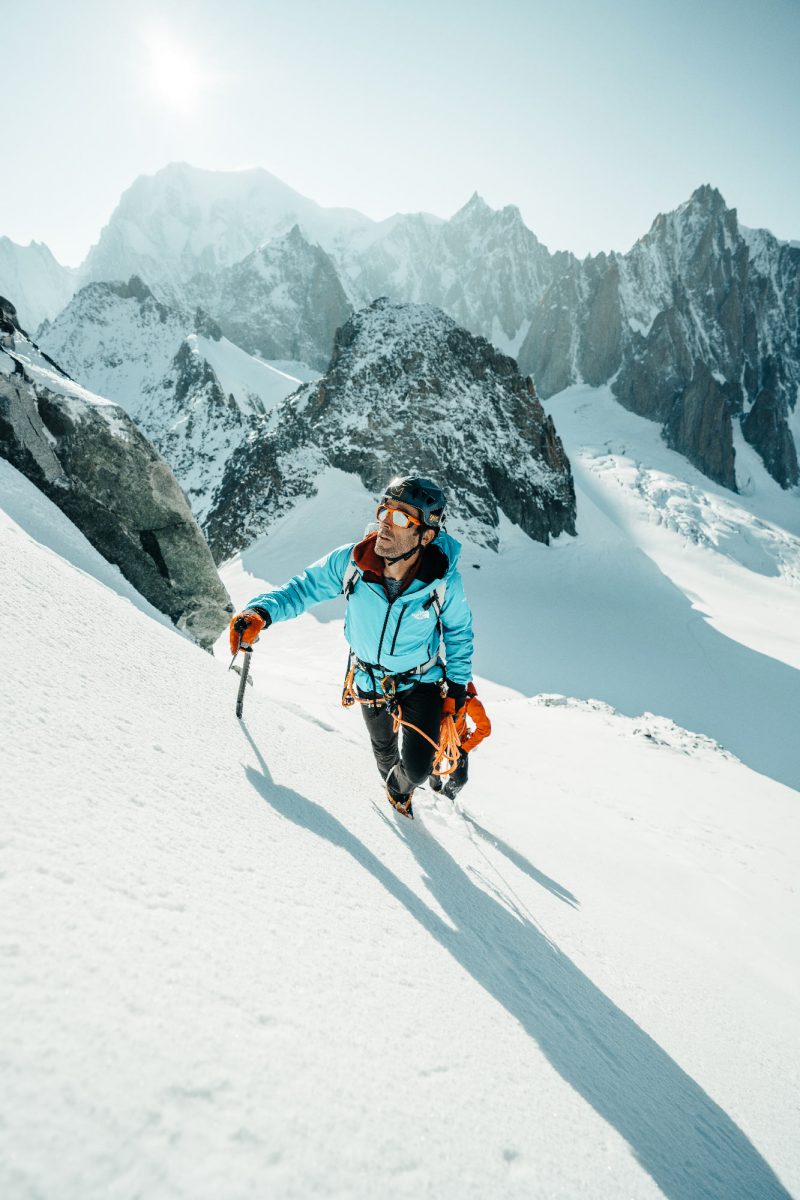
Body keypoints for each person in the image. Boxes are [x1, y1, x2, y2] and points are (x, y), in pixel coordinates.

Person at [229, 476, 474, 818]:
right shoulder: (353, 563)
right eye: (384, 511)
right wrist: (261, 611)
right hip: (370, 678)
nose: (386, 522)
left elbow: (458, 632)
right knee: (384, 755)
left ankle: (402, 789)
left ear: (426, 535)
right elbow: (302, 589)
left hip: (421, 682)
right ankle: (396, 793)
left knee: (415, 770)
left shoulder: (443, 583)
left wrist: (458, 687)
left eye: (401, 517)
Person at [429, 681, 491, 801]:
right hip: (436, 739)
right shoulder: (434, 688)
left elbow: (484, 728)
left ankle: (445, 798)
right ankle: (435, 791)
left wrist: (465, 748)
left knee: (460, 780)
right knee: (431, 770)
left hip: (456, 742)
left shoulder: (468, 698)